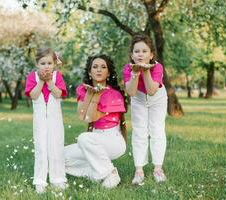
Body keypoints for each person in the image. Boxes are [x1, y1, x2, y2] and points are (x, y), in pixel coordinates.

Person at [64, 54, 127, 188]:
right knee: (59, 157)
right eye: (95, 67)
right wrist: (90, 94)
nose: (99, 70)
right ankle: (98, 172)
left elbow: (90, 118)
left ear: (108, 73)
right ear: (89, 72)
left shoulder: (114, 94)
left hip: (112, 141)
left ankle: (111, 173)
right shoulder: (84, 90)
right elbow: (82, 116)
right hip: (94, 138)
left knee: (84, 138)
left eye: (103, 67)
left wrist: (96, 96)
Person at [123, 34, 168, 184]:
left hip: (157, 98)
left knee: (157, 130)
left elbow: (151, 90)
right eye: (136, 51)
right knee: (139, 131)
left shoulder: (158, 67)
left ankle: (158, 168)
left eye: (144, 51)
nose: (140, 54)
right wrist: (135, 73)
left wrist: (146, 70)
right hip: (138, 98)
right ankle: (139, 170)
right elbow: (131, 92)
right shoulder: (128, 69)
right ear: (132, 55)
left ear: (151, 55)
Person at [25, 48, 68, 193]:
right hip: (40, 120)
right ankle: (40, 180)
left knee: (56, 146)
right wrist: (41, 82)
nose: (46, 66)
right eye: (42, 63)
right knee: (41, 147)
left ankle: (58, 178)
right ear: (37, 64)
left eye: (49, 63)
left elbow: (58, 94)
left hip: (55, 119)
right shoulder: (32, 77)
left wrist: (49, 82)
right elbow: (33, 95)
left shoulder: (57, 77)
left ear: (54, 64)